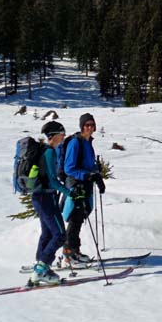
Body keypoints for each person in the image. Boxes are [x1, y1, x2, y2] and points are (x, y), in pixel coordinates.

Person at [61, 113, 106, 265]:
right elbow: (69, 169)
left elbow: (89, 165)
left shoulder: (88, 142)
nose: (90, 127)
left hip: (84, 185)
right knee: (75, 218)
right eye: (87, 125)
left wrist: (96, 174)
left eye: (92, 124)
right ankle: (68, 254)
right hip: (75, 185)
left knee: (79, 218)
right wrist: (87, 175)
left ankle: (75, 251)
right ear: (81, 126)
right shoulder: (75, 143)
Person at [30, 121, 71, 285]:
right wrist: (70, 192)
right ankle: (41, 269)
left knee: (47, 233)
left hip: (41, 198)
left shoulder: (46, 151)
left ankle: (40, 267)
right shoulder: (49, 152)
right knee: (60, 235)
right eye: (62, 133)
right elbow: (52, 181)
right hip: (45, 198)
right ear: (54, 136)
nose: (64, 136)